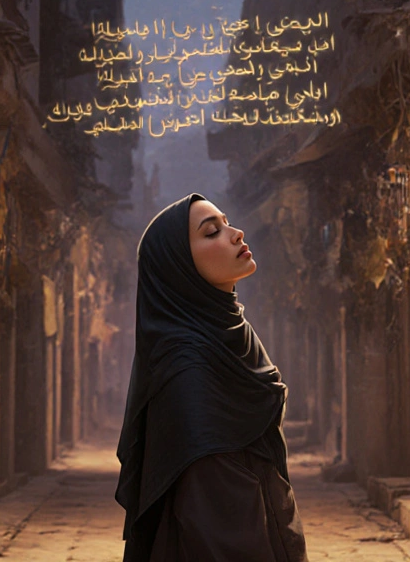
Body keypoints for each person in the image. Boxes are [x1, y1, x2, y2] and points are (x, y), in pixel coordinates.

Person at [115, 194, 308, 562]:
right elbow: (216, 522)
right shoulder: (189, 368)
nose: (235, 234)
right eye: (211, 232)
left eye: (227, 222)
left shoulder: (230, 336)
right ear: (179, 267)